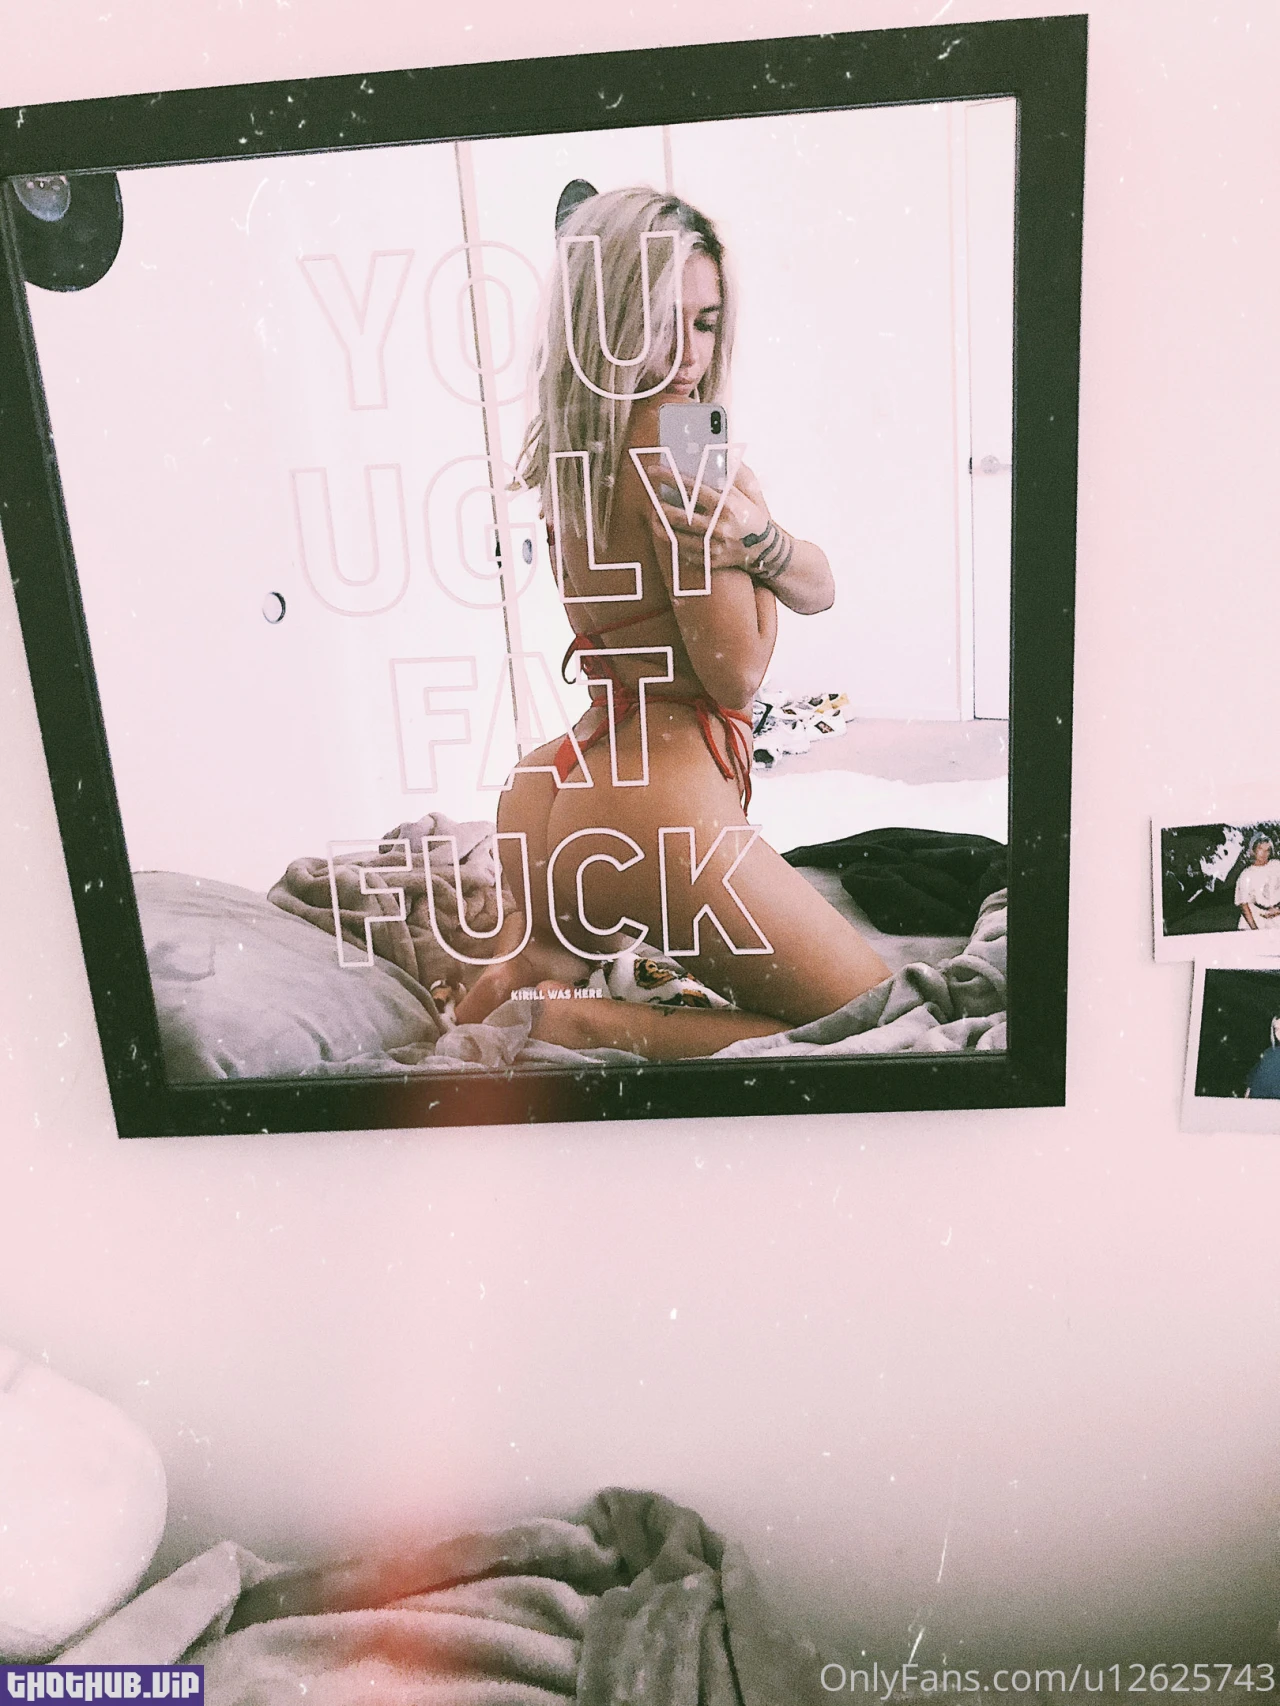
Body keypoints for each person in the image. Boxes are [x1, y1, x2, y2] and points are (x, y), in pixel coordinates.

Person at [455, 187, 889, 1055]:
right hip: (653, 804)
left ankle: (515, 991)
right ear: (608, 324)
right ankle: (570, 1020)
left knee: (544, 959)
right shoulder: (687, 441)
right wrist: (756, 546)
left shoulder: (573, 442)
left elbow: (818, 585)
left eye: (705, 322)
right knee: (874, 1013)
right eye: (658, 324)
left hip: (550, 790)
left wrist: (758, 540)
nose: (688, 355)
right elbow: (736, 673)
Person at [1235, 833, 1280, 930]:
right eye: (1260, 849)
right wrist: (1254, 929)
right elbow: (1244, 905)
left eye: (1267, 850)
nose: (1264, 854)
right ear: (1254, 850)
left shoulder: (1276, 865)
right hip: (1256, 918)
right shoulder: (1246, 874)